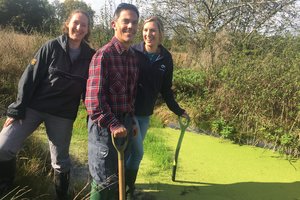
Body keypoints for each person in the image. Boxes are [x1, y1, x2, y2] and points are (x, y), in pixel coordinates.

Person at [0, 10, 95, 199]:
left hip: (62, 115)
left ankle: (61, 195)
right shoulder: (50, 47)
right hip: (33, 107)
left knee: (60, 162)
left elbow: (91, 89)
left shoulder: (91, 56)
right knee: (3, 147)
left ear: (88, 29)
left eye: (83, 25)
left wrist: (93, 116)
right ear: (67, 23)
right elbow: (29, 78)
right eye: (75, 22)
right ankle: (6, 185)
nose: (78, 27)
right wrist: (16, 109)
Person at [126, 16, 190, 199]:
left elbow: (166, 90)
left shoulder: (166, 58)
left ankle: (123, 187)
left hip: (145, 114)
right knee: (137, 152)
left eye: (153, 30)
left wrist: (178, 110)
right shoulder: (133, 51)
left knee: (132, 153)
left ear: (160, 33)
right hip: (128, 112)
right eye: (146, 30)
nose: (148, 34)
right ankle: (127, 190)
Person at [84, 3, 139, 200]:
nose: (130, 26)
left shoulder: (132, 58)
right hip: (104, 128)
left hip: (123, 124)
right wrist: (114, 125)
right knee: (103, 179)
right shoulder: (103, 55)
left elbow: (130, 96)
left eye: (134, 22)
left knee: (117, 177)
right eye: (126, 21)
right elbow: (93, 103)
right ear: (114, 24)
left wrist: (131, 120)